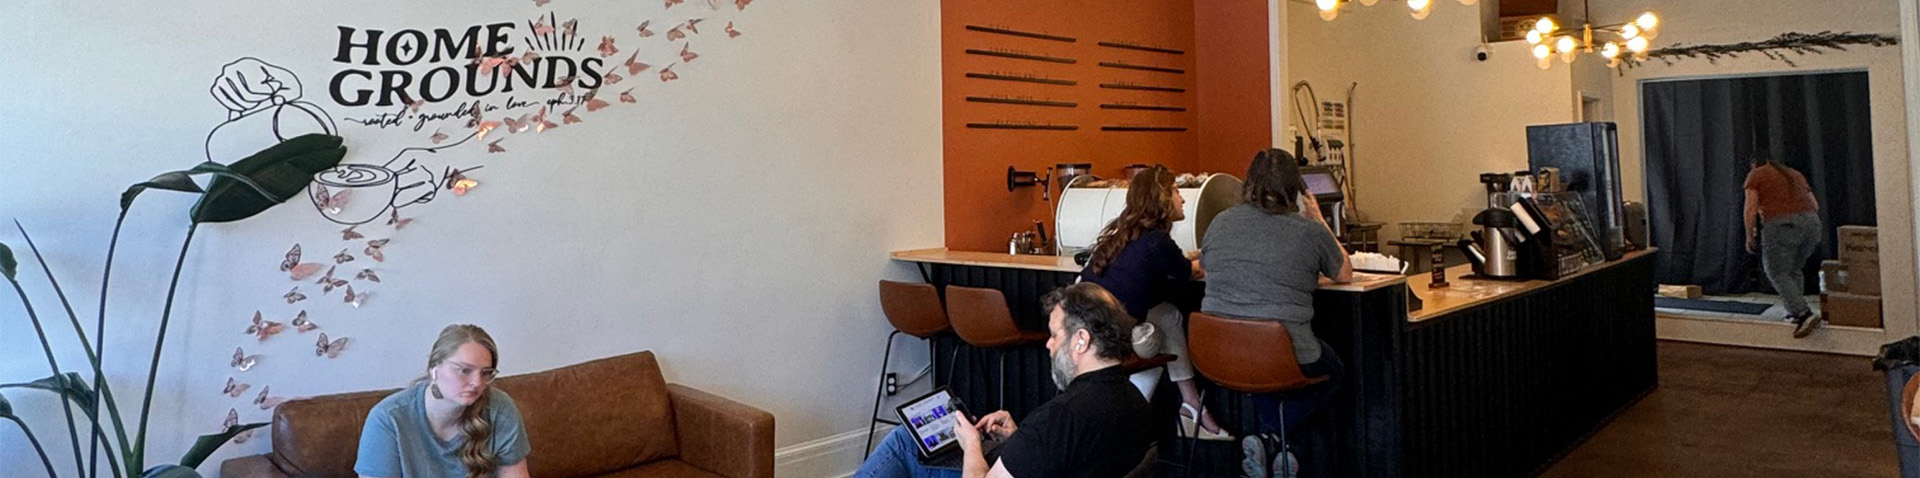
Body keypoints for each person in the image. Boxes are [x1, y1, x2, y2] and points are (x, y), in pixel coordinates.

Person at [856, 283, 1156, 478]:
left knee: (905, 442)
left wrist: (972, 445)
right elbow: (1067, 456)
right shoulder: (1135, 400)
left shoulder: (1062, 416)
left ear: (1080, 341)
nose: (1048, 345)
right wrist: (1019, 440)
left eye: (1054, 335)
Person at [1200, 149, 1352, 477]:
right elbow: (1344, 273)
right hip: (1280, 350)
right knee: (1335, 371)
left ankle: (1270, 441)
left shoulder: (1220, 221)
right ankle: (1276, 435)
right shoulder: (1308, 231)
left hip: (1219, 352)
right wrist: (1319, 219)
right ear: (1296, 189)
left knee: (1262, 377)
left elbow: (1208, 267)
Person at [1079, 164, 1227, 441]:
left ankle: (1186, 406)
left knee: (1166, 317)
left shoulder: (1122, 235)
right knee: (1157, 342)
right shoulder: (1158, 242)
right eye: (1176, 191)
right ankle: (1154, 416)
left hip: (1082, 331)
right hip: (1109, 339)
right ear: (1161, 198)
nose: (1182, 198)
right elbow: (1190, 272)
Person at [357, 324, 531, 478]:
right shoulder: (388, 418)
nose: (477, 383)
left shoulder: (500, 408)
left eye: (486, 373)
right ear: (434, 367)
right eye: (464, 370)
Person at [1743, 153, 1824, 338]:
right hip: (1812, 223)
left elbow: (1750, 209)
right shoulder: (1794, 174)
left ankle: (1804, 314)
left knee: (1777, 271)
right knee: (1793, 269)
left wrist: (1750, 234)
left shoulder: (1756, 175)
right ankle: (1793, 312)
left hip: (1782, 224)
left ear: (1754, 164)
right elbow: (1815, 205)